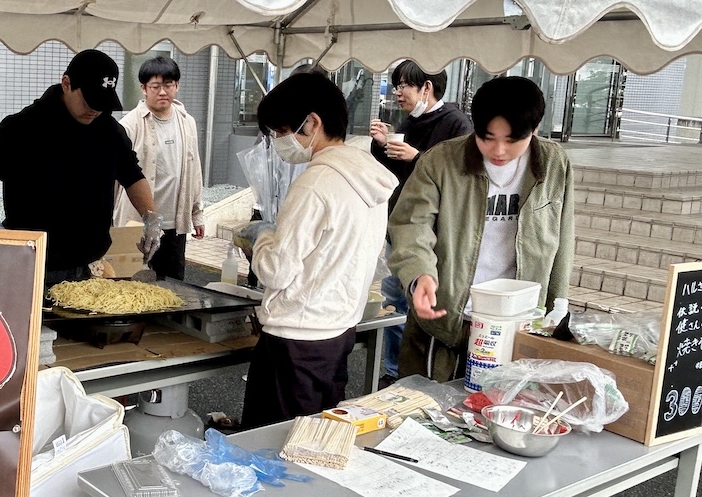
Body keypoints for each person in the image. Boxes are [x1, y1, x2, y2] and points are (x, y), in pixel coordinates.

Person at [388, 75, 574, 382]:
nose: (498, 150)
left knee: (501, 406)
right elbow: (411, 224)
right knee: (431, 407)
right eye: (487, 137)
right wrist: (419, 274)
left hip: (518, 320)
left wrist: (559, 303)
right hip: (447, 316)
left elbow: (563, 234)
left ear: (535, 130)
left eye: (512, 140)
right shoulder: (442, 161)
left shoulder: (554, 163)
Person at [239, 72, 398, 429]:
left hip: (294, 339)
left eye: (281, 132)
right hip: (339, 330)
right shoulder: (368, 176)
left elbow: (277, 270)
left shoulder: (315, 183)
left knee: (271, 444)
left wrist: (260, 237)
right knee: (314, 440)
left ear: (312, 122)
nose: (281, 142)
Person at [0, 49, 162, 287]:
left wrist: (150, 217)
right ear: (66, 83)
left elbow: (132, 176)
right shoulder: (23, 126)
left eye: (101, 103)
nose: (95, 110)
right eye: (89, 101)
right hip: (35, 264)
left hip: (91, 264)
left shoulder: (110, 131)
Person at [369, 60, 473, 385]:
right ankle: (392, 372)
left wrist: (417, 156)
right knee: (395, 301)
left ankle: (399, 375)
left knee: (406, 302)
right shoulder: (412, 121)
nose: (398, 92)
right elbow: (398, 172)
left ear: (426, 88)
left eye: (404, 85)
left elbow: (459, 179)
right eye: (397, 84)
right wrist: (382, 143)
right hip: (402, 223)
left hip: (431, 234)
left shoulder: (457, 124)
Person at [113, 56, 204, 280]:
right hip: (135, 221)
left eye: (169, 85)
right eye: (155, 86)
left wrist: (197, 214)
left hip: (175, 221)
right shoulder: (129, 124)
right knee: (127, 286)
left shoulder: (187, 121)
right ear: (143, 88)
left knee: (172, 287)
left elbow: (195, 170)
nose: (163, 92)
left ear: (177, 86)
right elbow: (115, 178)